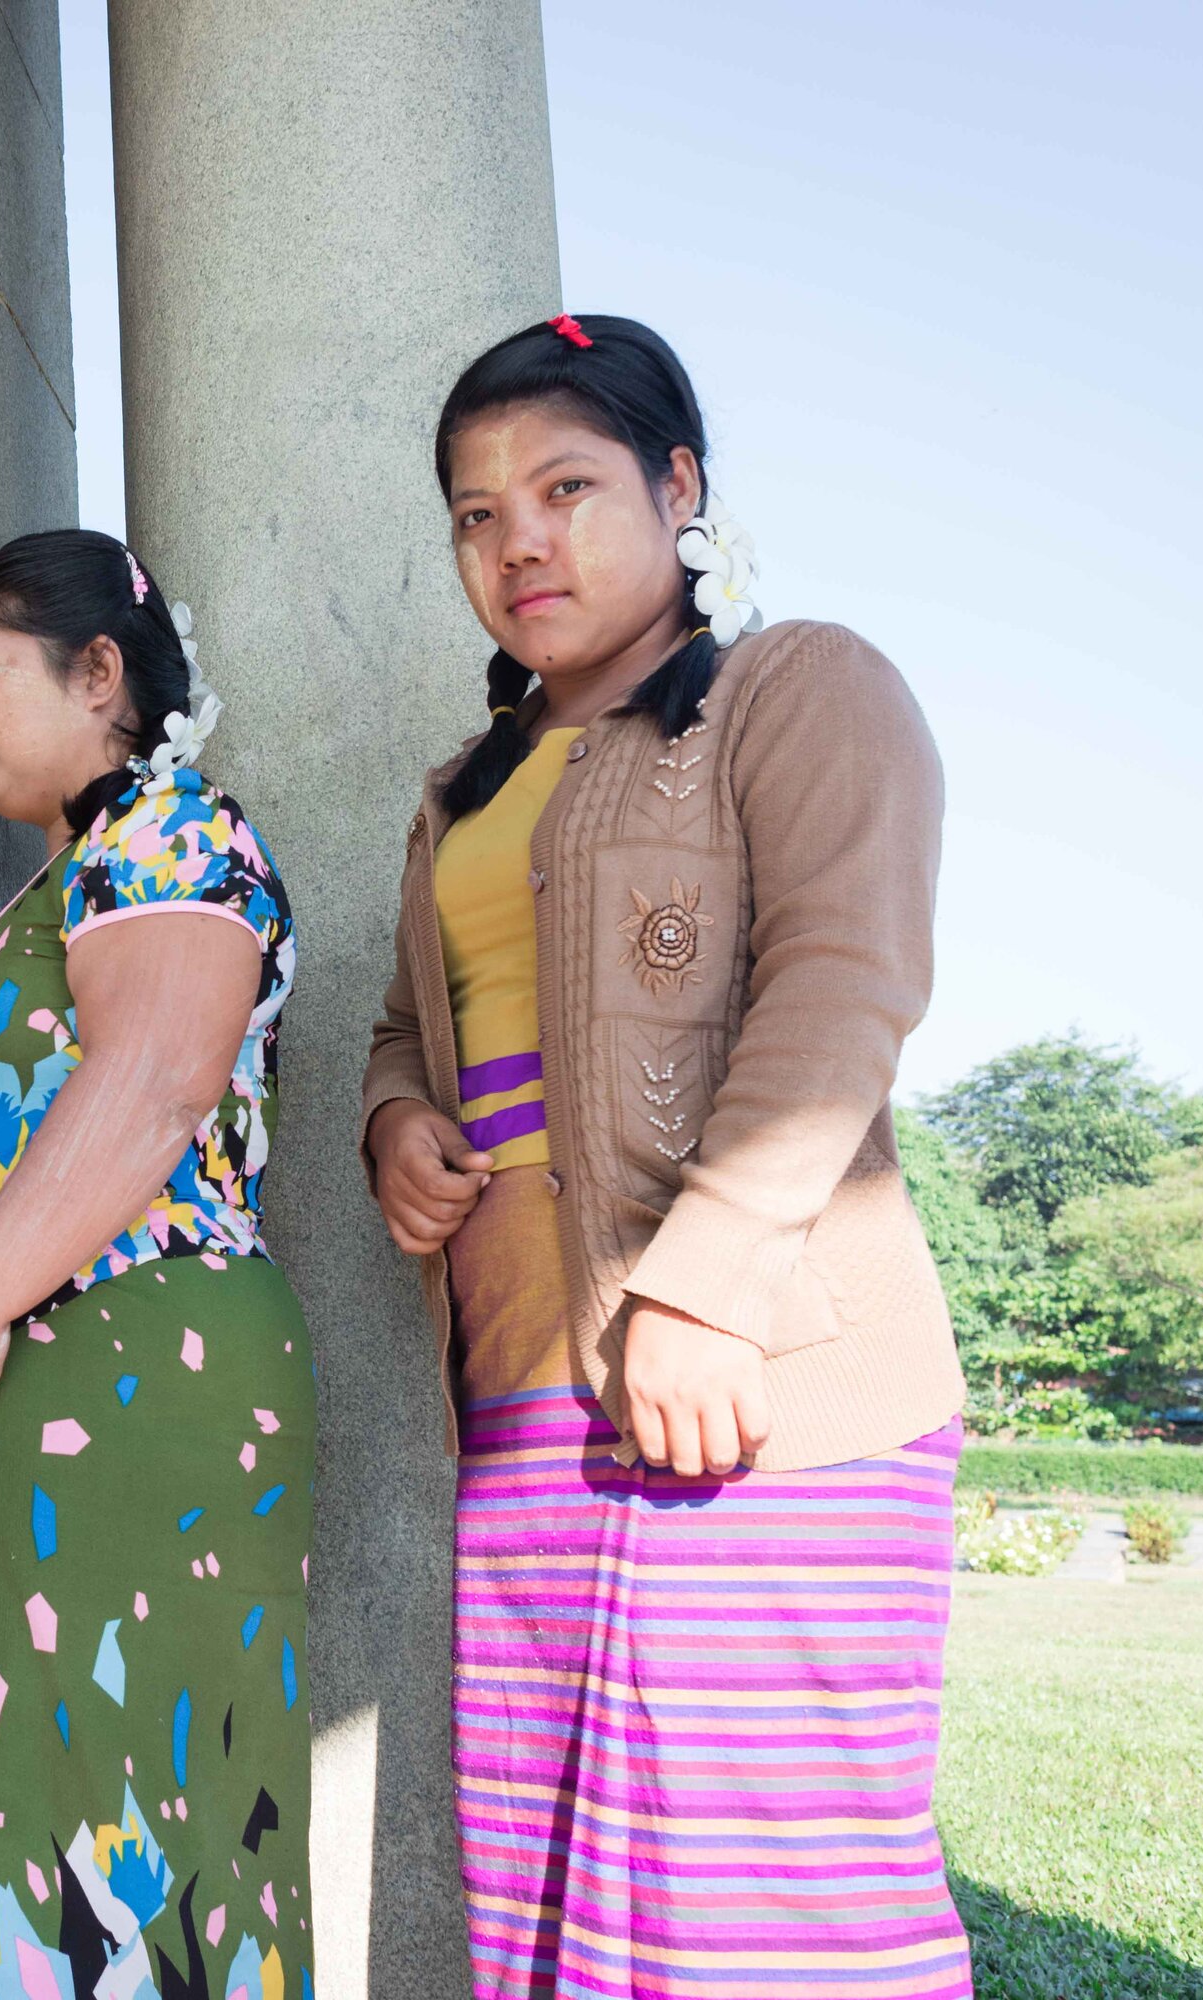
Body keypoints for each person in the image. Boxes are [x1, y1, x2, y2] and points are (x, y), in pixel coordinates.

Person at [360, 314, 971, 2000]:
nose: (520, 542)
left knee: (770, 1904)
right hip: (525, 1409)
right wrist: (399, 1124)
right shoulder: (458, 792)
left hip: (758, 1386)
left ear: (680, 486)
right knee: (561, 1898)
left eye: (565, 487)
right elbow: (417, 1028)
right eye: (477, 515)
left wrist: (707, 1292)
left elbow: (846, 984)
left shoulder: (800, 688)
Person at [0, 530, 314, 2000]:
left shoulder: (175, 832)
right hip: (5, 1425)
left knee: (98, 1828)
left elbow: (156, 1076)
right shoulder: (78, 871)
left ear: (101, 675)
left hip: (115, 1389)